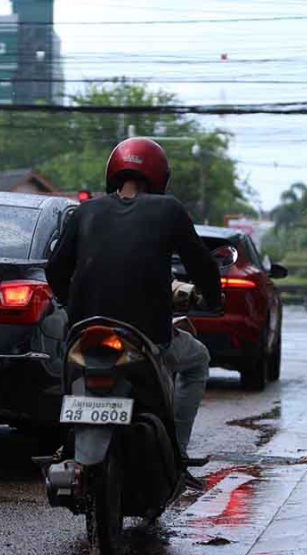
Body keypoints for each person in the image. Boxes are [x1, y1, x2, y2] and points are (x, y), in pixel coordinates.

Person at [45, 137, 222, 454]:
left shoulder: (86, 211)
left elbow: (56, 269)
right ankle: (177, 450)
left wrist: (69, 304)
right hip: (146, 336)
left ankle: (66, 447)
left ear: (113, 171)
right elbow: (202, 264)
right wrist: (214, 299)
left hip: (86, 335)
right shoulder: (169, 209)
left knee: (69, 373)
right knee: (198, 360)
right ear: (160, 176)